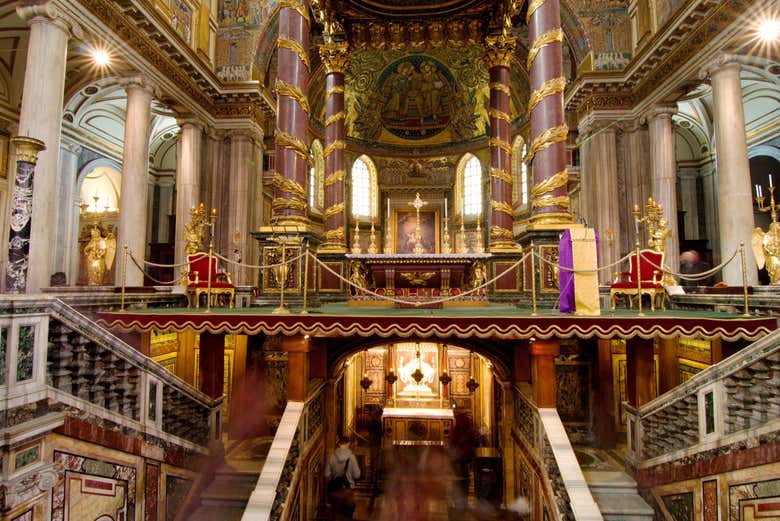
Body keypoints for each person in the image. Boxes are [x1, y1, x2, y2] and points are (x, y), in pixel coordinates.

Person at [325, 436, 361, 520]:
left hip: (335, 491)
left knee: (336, 516)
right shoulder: (351, 457)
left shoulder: (331, 456)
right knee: (347, 516)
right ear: (348, 444)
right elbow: (357, 475)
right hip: (348, 491)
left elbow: (326, 474)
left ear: (339, 444)